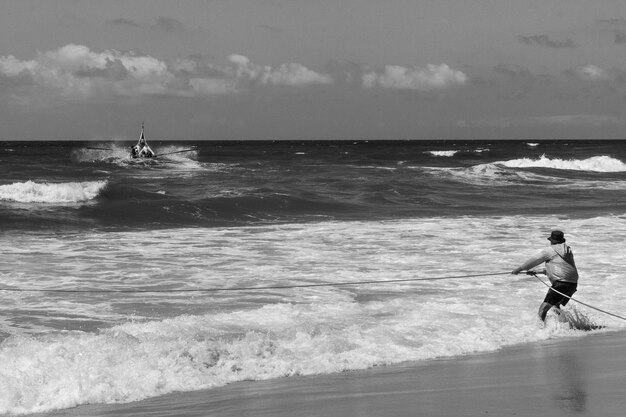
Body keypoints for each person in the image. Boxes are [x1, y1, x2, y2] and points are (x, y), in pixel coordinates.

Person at [511, 230, 579, 321]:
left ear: (553, 241)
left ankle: (541, 331)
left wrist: (518, 270)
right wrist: (537, 271)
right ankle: (566, 326)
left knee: (543, 309)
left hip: (561, 284)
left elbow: (533, 261)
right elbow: (561, 269)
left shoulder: (550, 250)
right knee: (555, 306)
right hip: (572, 284)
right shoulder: (568, 250)